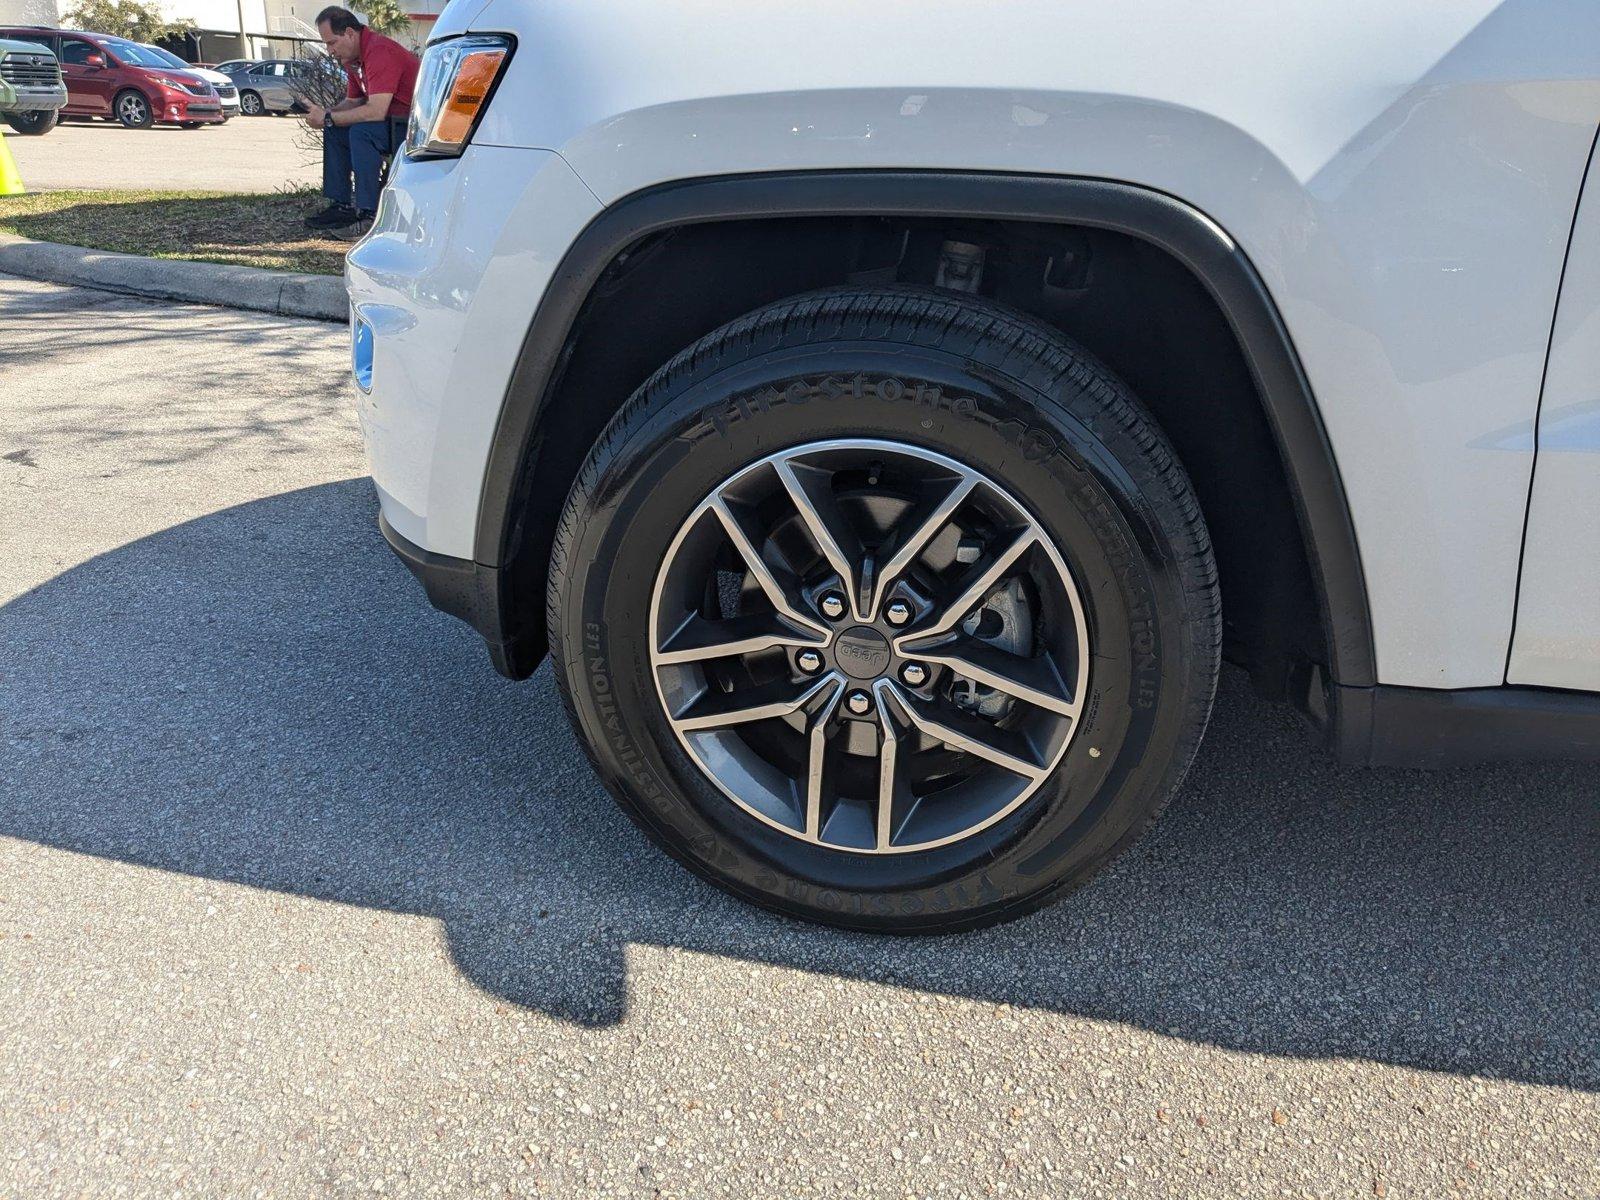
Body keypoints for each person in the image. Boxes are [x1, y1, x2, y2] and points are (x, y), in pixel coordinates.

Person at [301, 6, 419, 241]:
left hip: (410, 125)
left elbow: (376, 111)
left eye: (332, 42)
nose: (329, 50)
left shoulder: (379, 51)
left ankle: (369, 214)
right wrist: (325, 114)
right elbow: (353, 101)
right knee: (335, 130)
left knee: (361, 132)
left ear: (350, 33)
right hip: (389, 122)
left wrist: (327, 117)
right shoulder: (353, 59)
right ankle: (341, 207)